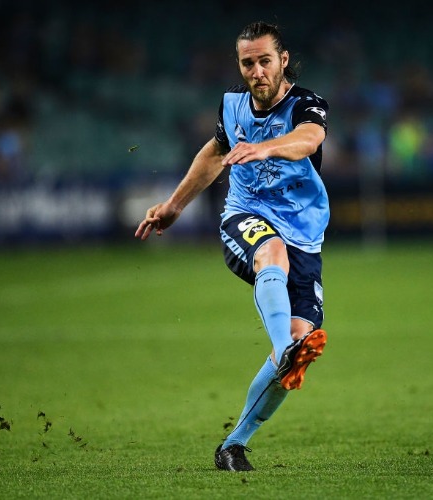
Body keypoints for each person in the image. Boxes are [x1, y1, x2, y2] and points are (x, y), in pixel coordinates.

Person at [135, 21, 330, 472]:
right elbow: (213, 153)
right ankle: (285, 349)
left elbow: (309, 140)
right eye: (248, 63)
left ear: (283, 61)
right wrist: (174, 205)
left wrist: (266, 148)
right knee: (271, 254)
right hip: (247, 218)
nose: (257, 71)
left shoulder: (308, 104)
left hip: (305, 235)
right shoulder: (233, 107)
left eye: (265, 60)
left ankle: (233, 445)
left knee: (302, 339)